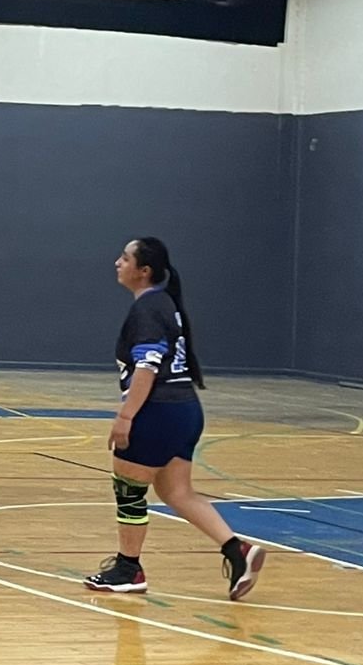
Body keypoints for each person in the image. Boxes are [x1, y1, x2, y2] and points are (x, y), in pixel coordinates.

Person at [84, 236, 266, 600]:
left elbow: (147, 366)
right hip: (185, 409)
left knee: (129, 490)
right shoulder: (165, 303)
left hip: (157, 411)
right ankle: (237, 550)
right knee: (175, 491)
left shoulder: (148, 308)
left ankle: (128, 568)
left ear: (143, 270)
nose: (117, 263)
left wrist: (126, 416)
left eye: (125, 258)